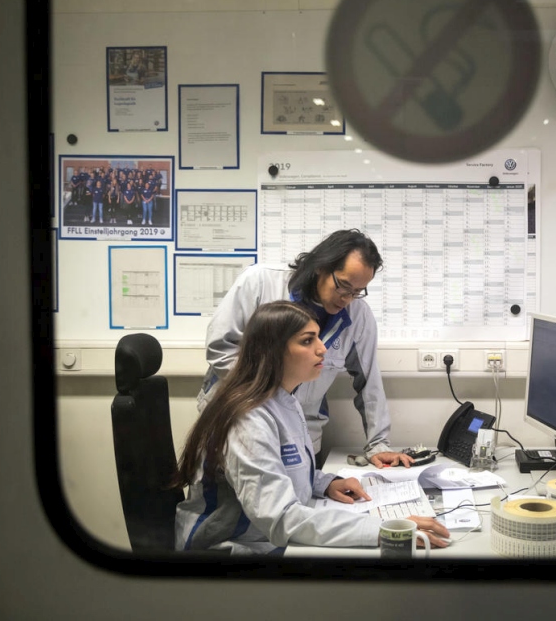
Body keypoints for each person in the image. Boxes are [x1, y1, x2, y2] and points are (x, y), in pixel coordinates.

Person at [173, 301, 450, 555]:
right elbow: (280, 518)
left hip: (267, 542)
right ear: (272, 352)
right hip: (231, 553)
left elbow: (278, 468)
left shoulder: (285, 399)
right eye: (307, 340)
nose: (322, 349)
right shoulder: (248, 419)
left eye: (318, 336)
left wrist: (324, 483)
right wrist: (382, 529)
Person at [198, 229, 413, 469]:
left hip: (302, 437)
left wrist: (378, 444)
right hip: (240, 424)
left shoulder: (358, 316)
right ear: (321, 266)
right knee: (227, 503)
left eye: (357, 292)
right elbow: (220, 349)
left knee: (304, 498)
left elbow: (369, 383)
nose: (347, 299)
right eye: (343, 286)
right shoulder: (260, 282)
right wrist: (271, 398)